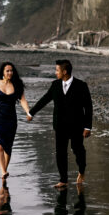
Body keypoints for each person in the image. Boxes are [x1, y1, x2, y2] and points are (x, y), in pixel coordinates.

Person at [28, 58, 93, 188]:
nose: (55, 72)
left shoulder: (81, 86)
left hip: (77, 126)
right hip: (60, 126)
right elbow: (44, 99)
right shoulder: (55, 85)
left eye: (57, 70)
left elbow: (88, 107)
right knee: (60, 152)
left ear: (64, 71)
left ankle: (81, 170)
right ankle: (63, 180)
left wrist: (87, 127)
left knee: (78, 150)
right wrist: (31, 112)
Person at [0, 62, 31, 179]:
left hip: (11, 120)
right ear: (3, 72)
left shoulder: (17, 85)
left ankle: (4, 170)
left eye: (11, 70)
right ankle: (3, 171)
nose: (10, 73)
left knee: (8, 147)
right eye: (7, 71)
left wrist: (28, 112)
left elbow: (23, 100)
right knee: (0, 146)